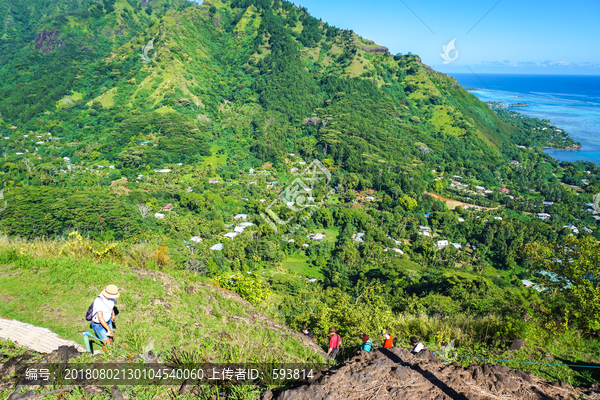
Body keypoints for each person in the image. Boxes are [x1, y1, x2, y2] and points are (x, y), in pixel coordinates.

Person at [91, 284, 120, 352]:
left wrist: (113, 315)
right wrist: (108, 329)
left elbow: (111, 307)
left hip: (108, 321)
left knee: (110, 339)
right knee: (107, 343)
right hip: (98, 325)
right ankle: (106, 356)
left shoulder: (111, 297)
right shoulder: (99, 301)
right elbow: (100, 318)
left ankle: (110, 352)